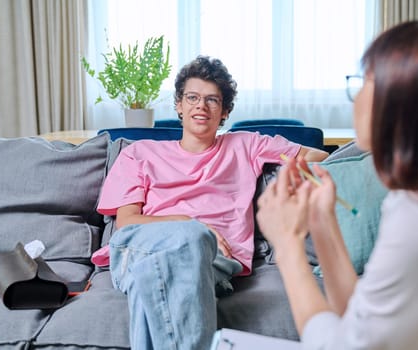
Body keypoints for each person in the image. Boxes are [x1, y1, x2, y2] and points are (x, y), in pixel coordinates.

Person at [256, 18, 418, 349]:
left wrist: (286, 245)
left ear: (405, 100)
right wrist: (322, 220)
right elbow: (362, 320)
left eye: (366, 80)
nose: (358, 96)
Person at [96, 55, 328, 350]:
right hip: (141, 247)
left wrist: (299, 174)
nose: (200, 106)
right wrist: (192, 226)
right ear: (178, 105)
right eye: (192, 97)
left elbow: (317, 157)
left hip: (211, 259)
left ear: (225, 111)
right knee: (189, 241)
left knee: (163, 271)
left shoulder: (246, 145)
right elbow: (126, 224)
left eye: (212, 100)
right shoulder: (138, 154)